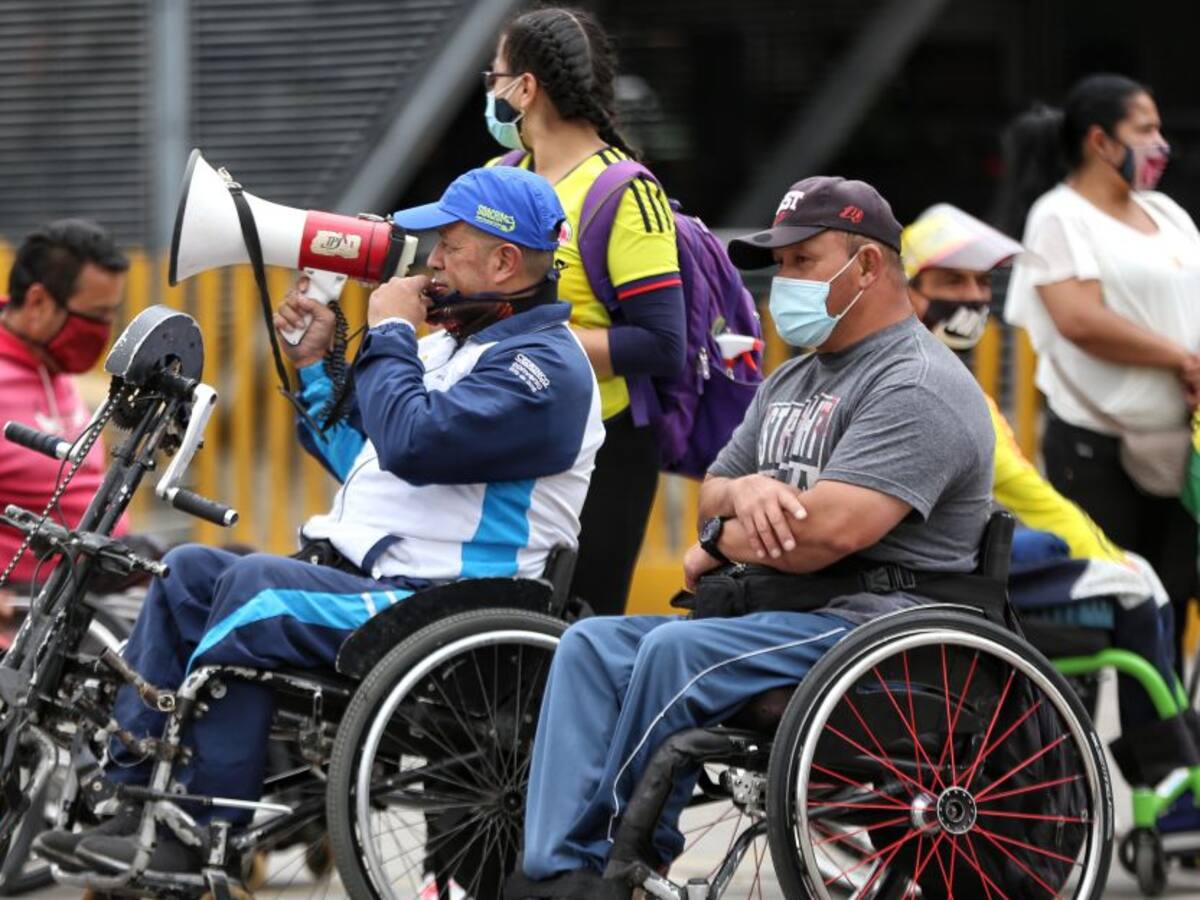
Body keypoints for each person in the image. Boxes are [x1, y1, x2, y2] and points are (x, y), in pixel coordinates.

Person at [33, 166, 604, 878]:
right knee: (188, 573)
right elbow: (367, 458)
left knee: (252, 593)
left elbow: (413, 442)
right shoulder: (454, 348)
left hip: (445, 601)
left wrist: (389, 328)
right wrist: (311, 365)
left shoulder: (544, 370)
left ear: (504, 263)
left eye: (450, 248)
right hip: (383, 583)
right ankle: (128, 803)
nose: (431, 262)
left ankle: (200, 836)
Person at [507, 177, 995, 898]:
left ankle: (618, 865)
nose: (784, 281)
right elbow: (713, 489)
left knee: (675, 652)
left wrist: (717, 543)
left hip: (875, 630)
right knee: (589, 645)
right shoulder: (791, 380)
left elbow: (826, 534)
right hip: (784, 612)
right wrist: (744, 498)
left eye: (803, 261)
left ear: (867, 266)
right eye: (781, 263)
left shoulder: (917, 384)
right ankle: (555, 871)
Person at [903, 202, 1176, 730]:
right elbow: (1029, 494)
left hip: (937, 570)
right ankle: (1166, 763)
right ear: (907, 289)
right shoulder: (944, 387)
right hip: (946, 576)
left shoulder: (939, 376)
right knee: (1138, 587)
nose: (973, 296)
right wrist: (1106, 556)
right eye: (953, 280)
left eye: (982, 282)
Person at [484, 5, 686, 615]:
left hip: (600, 453)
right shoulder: (498, 175)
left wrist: (531, 337)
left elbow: (662, 344)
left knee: (577, 631)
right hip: (501, 430)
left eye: (494, 77)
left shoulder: (624, 191)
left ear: (525, 89)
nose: (489, 92)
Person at [998, 73, 1200, 667]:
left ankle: (1163, 725)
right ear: (1100, 141)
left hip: (1178, 444)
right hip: (1096, 449)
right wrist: (1180, 359)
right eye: (1145, 129)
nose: (1160, 143)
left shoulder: (1165, 212)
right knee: (1110, 602)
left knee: (1173, 598)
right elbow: (1079, 319)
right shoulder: (1060, 216)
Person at [0, 220, 128, 646]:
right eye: (95, 317)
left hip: (102, 570)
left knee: (222, 572)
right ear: (38, 301)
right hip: (37, 597)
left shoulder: (54, 366)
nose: (104, 331)